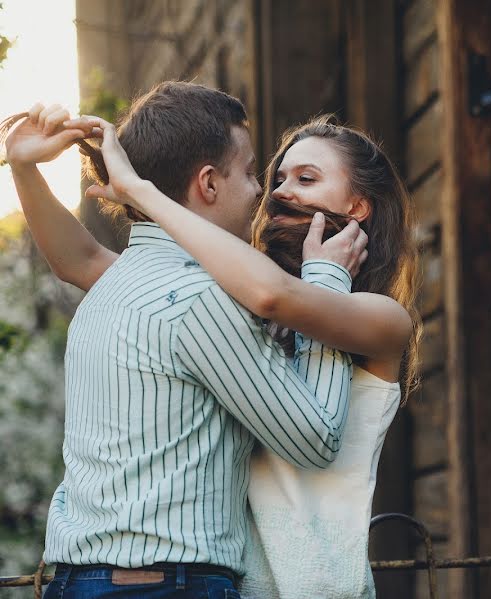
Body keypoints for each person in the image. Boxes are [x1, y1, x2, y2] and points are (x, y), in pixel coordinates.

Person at [1, 82, 372, 598]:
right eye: (248, 173)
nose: (260, 192)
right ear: (208, 184)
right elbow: (315, 440)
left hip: (79, 581)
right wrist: (327, 283)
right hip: (161, 586)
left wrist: (24, 168)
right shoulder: (199, 298)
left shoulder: (117, 283)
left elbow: (76, 261)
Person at [66, 112, 421, 599]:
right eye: (275, 178)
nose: (277, 191)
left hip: (319, 585)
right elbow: (86, 263)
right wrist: (25, 170)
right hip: (234, 584)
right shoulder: (230, 307)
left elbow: (278, 296)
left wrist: (141, 191)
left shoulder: (382, 318)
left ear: (357, 207)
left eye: (307, 179)